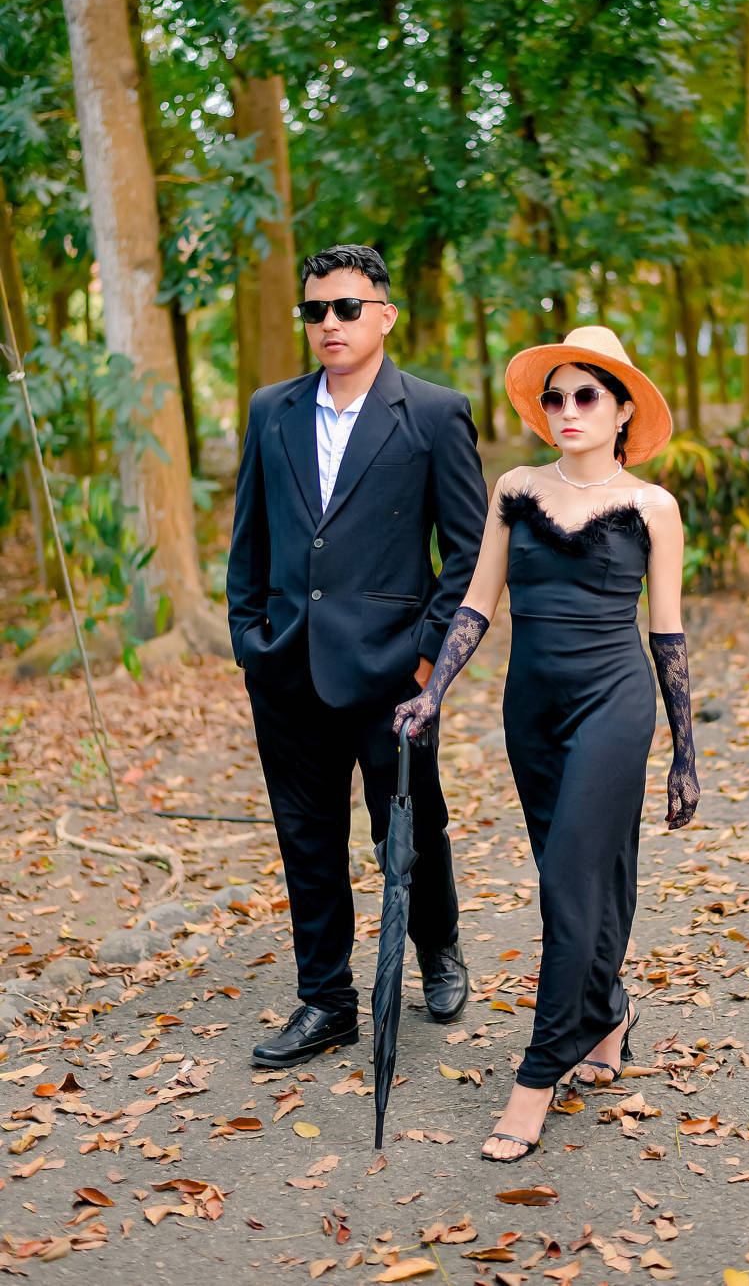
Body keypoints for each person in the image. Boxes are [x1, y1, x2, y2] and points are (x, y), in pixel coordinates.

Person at [393, 325, 698, 1161]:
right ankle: (608, 1012)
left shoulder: (652, 507)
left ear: (622, 409)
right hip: (530, 710)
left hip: (614, 703)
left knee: (568, 881)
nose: (568, 407)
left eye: (586, 394)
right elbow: (476, 602)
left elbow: (667, 632)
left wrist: (685, 751)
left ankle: (538, 1073)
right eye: (555, 395)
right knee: (584, 875)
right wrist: (433, 691)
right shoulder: (516, 488)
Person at [227, 244, 488, 1067]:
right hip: (286, 670)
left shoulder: (436, 414)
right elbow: (248, 540)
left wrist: (427, 666)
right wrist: (250, 641)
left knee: (412, 829)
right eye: (315, 310)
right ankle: (327, 1000)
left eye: (346, 307)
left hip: (392, 676)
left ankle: (438, 947)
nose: (329, 323)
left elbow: (469, 554)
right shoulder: (270, 410)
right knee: (306, 840)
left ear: (385, 315)